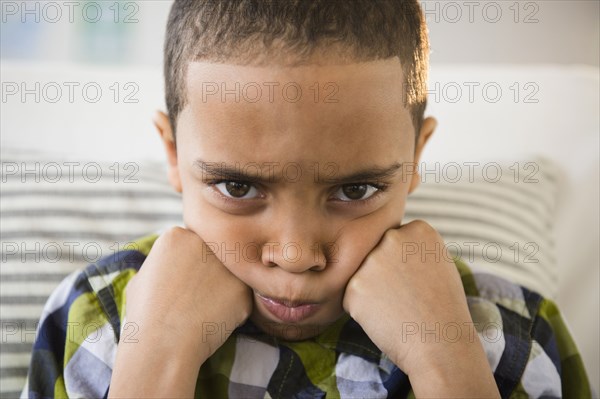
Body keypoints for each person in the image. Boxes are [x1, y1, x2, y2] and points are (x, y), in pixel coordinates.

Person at [23, 1, 591, 397]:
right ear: (173, 154)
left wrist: (448, 366)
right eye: (238, 187)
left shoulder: (514, 338)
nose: (295, 256)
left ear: (415, 158)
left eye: (355, 190)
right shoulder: (99, 324)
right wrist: (155, 362)